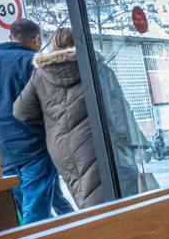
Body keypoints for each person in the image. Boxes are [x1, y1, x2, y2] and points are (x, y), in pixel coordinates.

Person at [13, 27, 141, 208]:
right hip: (97, 140)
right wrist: (133, 143)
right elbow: (119, 112)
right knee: (115, 200)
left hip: (63, 148)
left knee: (86, 197)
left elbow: (20, 111)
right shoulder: (98, 69)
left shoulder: (40, 75)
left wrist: (52, 120)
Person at [0, 18, 73, 223]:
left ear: (11, 37)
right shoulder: (34, 63)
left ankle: (72, 224)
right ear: (37, 39)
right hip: (33, 145)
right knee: (36, 213)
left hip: (0, 150)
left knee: (35, 201)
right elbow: (51, 105)